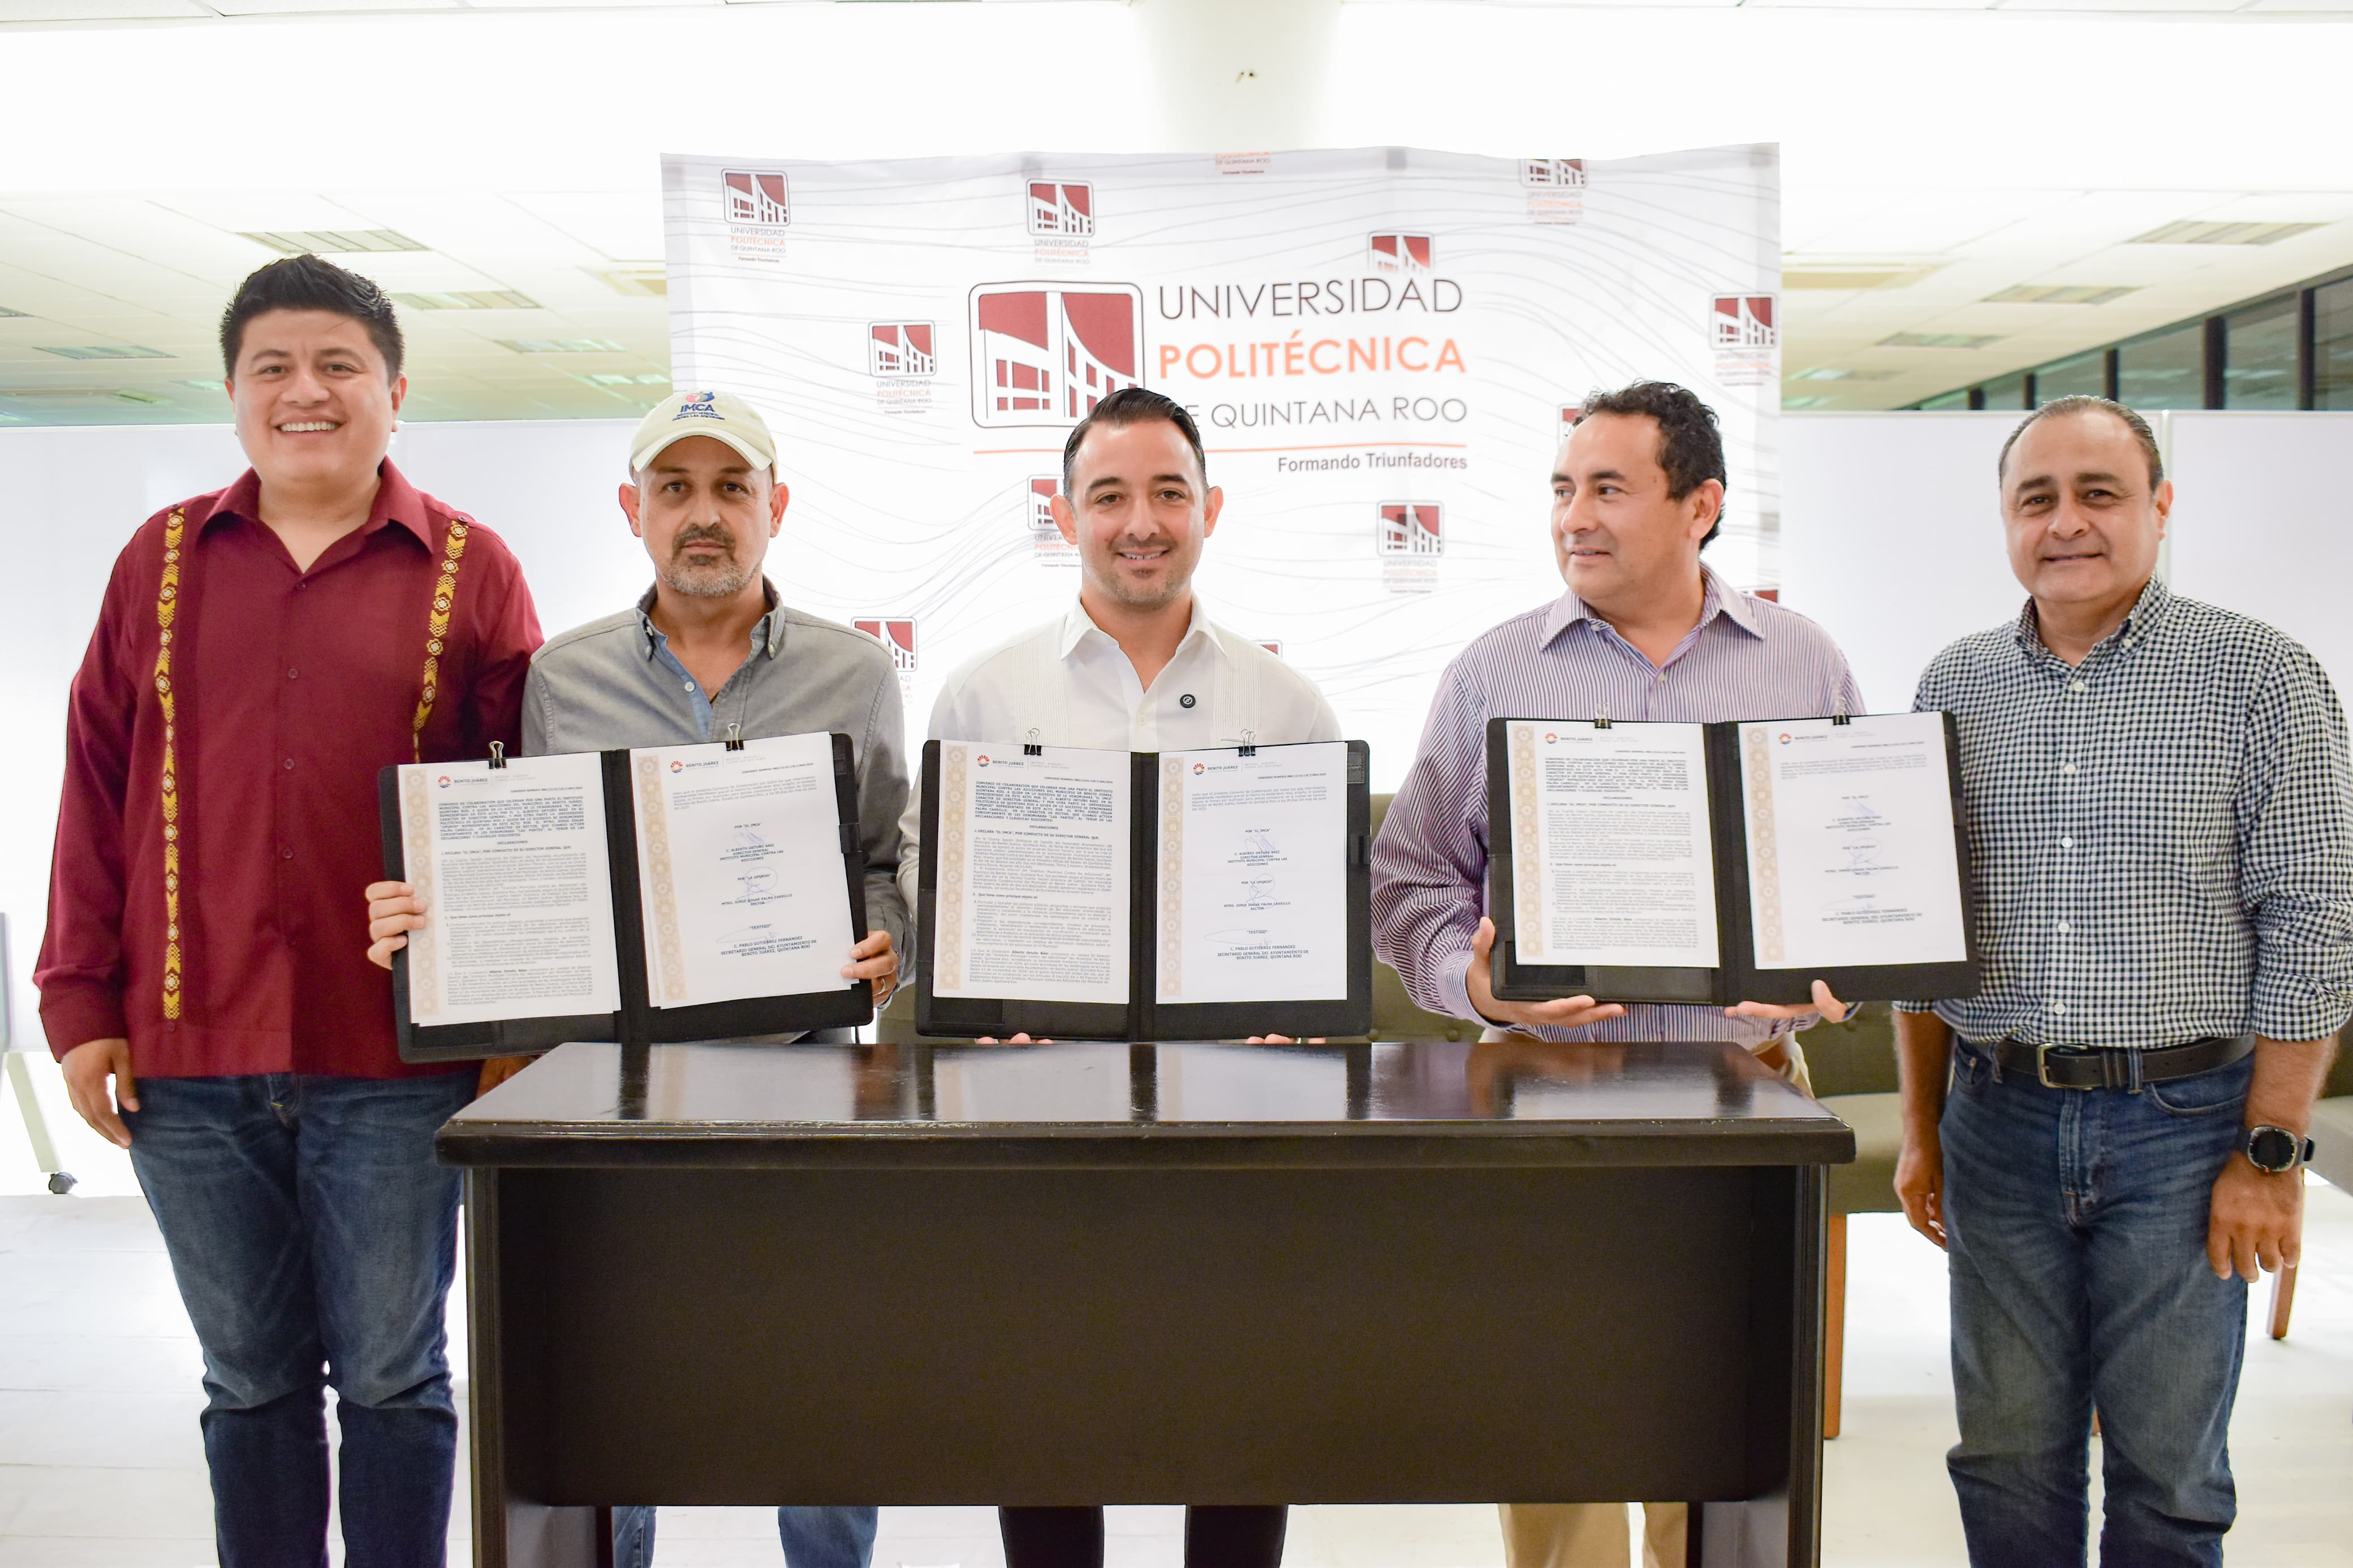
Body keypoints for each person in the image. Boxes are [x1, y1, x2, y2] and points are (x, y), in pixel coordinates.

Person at [38, 255, 542, 1568]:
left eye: (337, 365)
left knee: (393, 1376)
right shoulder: (158, 562)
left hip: (398, 1062)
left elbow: (524, 808)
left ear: (394, 391)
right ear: (233, 391)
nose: (304, 391)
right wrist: (78, 1002)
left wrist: (513, 1017)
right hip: (186, 1055)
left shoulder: (472, 568)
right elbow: (95, 781)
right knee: (248, 1381)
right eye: (272, 366)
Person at [365, 388, 906, 1568]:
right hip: (622, 1091)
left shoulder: (858, 672)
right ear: (633, 508)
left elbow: (884, 861)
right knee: (620, 1378)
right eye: (675, 489)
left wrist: (885, 940)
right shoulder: (564, 678)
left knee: (819, 1372)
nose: (703, 513)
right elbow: (530, 860)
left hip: (805, 1078)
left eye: (730, 487)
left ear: (776, 506)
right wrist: (432, 911)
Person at [1369, 381, 1859, 1568]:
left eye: (1606, 488)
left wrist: (1840, 969)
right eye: (1561, 489)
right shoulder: (1494, 671)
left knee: (1729, 1440)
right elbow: (1407, 881)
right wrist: (1476, 988)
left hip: (1743, 1107)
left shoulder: (1802, 663)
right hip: (1546, 1107)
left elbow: (1852, 870)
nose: (1573, 517)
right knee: (1558, 1427)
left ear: (1701, 505)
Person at [1891, 395, 2351, 1568]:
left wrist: (2271, 1154)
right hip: (1995, 1119)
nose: (2066, 523)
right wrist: (1922, 1129)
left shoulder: (2261, 675)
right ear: (2006, 518)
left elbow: (2314, 924)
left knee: (2168, 1473)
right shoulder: (1955, 680)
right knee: (2004, 1456)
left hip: (2185, 1129)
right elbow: (1920, 933)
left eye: (2098, 493)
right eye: (2035, 498)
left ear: (2159, 505)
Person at [902, 386, 1338, 1568]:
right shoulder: (985, 694)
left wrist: (1295, 1013)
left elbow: (1317, 900)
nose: (1140, 522)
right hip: (1038, 1115)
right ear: (1064, 514)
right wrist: (978, 1002)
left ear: (1211, 509)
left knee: (1238, 1414)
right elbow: (932, 876)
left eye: (1167, 493)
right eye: (1108, 496)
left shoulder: (1285, 702)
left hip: (1237, 1123)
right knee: (1046, 1410)